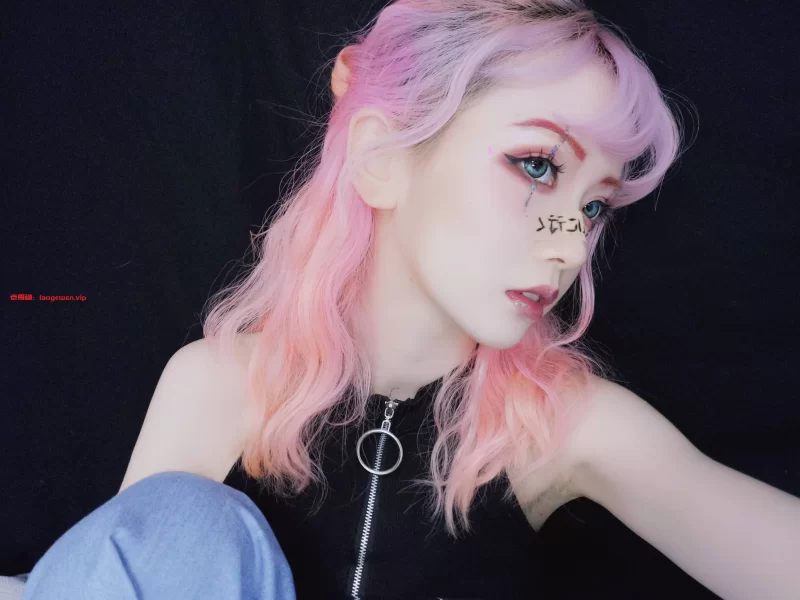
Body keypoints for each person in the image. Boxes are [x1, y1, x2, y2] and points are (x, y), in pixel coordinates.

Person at [22, 0, 800, 599]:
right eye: (537, 166)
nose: (569, 245)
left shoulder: (561, 426)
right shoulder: (217, 385)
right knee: (183, 521)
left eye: (593, 207)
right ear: (380, 158)